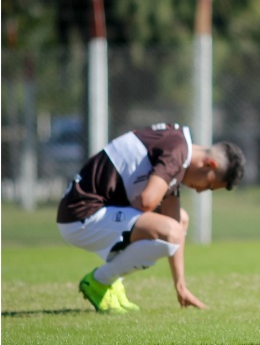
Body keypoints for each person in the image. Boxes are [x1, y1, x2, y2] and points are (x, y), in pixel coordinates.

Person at [56, 122, 245, 313]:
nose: (200, 190)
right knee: (169, 231)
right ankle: (100, 281)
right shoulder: (176, 154)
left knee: (180, 222)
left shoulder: (178, 145)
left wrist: (180, 285)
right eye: (209, 185)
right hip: (81, 215)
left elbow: (176, 223)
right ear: (210, 165)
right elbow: (147, 202)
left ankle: (112, 282)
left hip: (96, 211)